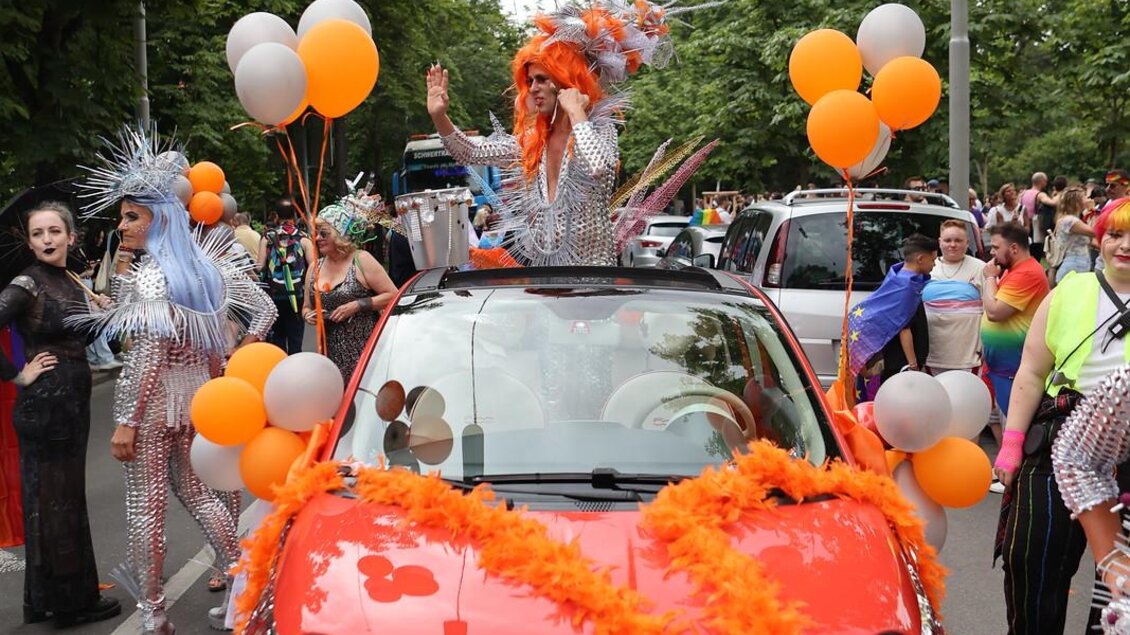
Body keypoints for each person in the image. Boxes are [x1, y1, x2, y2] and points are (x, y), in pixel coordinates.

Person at [74, 128, 277, 634]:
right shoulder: (206, 269)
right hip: (199, 401)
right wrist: (236, 352)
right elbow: (266, 309)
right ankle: (247, 589)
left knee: (146, 508)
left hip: (152, 405)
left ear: (158, 217)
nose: (122, 226)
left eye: (131, 216)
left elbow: (146, 354)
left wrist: (125, 421)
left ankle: (154, 613)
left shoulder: (152, 276)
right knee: (199, 494)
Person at [426, 1, 706, 267]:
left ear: (565, 82)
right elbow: (469, 152)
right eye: (530, 80)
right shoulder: (533, 142)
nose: (533, 88)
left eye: (542, 79)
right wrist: (439, 116)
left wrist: (577, 113)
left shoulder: (597, 127)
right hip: (545, 275)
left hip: (594, 276)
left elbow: (601, 168)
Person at [994, 199, 1130, 634]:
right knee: (1030, 559)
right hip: (1059, 436)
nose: (1124, 246)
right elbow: (1032, 373)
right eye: (1115, 235)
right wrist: (1012, 445)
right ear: (1100, 240)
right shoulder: (1068, 291)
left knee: (1119, 586)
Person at [0, 202, 121, 627]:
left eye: (54, 231)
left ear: (71, 237)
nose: (47, 240)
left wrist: (102, 311)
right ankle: (71, 602)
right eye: (38, 234)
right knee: (56, 500)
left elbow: (81, 336)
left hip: (70, 401)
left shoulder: (69, 280)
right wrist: (17, 374)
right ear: (30, 241)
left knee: (58, 499)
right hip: (47, 405)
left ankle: (47, 596)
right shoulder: (28, 283)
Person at [303, 202, 398, 380]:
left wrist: (357, 305)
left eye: (323, 233)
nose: (317, 238)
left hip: (366, 357)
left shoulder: (361, 260)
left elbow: (393, 295)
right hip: (329, 359)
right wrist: (309, 315)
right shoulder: (314, 267)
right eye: (315, 233)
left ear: (339, 233)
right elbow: (306, 307)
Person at [846, 234, 937, 397]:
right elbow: (904, 329)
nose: (934, 264)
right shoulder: (907, 288)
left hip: (890, 354)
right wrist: (913, 364)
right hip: (898, 360)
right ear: (921, 258)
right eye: (933, 259)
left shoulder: (897, 274)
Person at [980, 222, 1050, 420]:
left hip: (1014, 369)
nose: (992, 252)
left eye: (995, 247)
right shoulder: (1012, 269)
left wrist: (989, 278)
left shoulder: (1027, 273)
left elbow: (994, 311)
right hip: (1002, 368)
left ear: (1013, 248)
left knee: (1016, 427)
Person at [257, 198, 314, 355]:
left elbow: (260, 266)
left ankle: (280, 370)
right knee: (296, 338)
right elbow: (314, 268)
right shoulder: (303, 238)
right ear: (294, 216)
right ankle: (296, 372)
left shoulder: (267, 237)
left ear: (276, 216)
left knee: (278, 339)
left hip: (274, 296)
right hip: (297, 296)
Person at [1048, 186, 1095, 283]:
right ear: (1077, 202)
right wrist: (1092, 211)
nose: (1088, 199)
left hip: (1078, 263)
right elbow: (1095, 231)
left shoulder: (1068, 219)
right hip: (1074, 265)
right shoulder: (1070, 221)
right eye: (1085, 197)